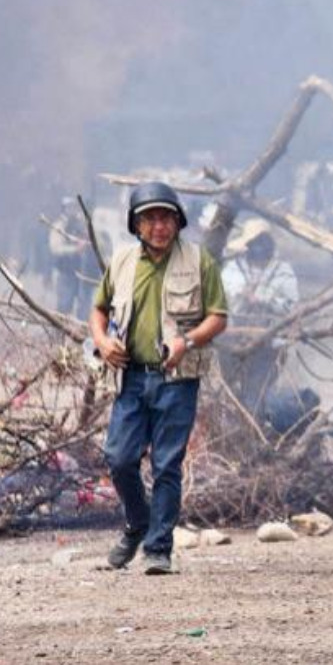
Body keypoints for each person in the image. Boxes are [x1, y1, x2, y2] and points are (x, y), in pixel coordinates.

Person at [90, 181, 228, 575]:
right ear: (136, 225)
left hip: (177, 379)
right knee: (119, 459)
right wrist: (102, 341)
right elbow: (98, 311)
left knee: (167, 464)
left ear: (178, 222)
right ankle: (138, 523)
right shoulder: (122, 262)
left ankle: (158, 549)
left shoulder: (199, 262)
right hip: (130, 378)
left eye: (166, 218)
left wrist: (186, 341)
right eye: (149, 219)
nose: (159, 227)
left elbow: (218, 317)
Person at [220, 219, 300, 418]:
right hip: (232, 340)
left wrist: (264, 300)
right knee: (230, 389)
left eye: (263, 242)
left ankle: (253, 430)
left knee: (256, 390)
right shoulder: (232, 269)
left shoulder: (283, 271)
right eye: (255, 243)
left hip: (268, 341)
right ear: (247, 246)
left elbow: (291, 306)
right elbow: (221, 299)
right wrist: (241, 294)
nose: (260, 248)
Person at [48, 197, 89, 319]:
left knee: (83, 309)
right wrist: (75, 250)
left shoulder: (80, 225)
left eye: (74, 207)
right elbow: (55, 249)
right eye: (69, 207)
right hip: (65, 272)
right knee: (63, 307)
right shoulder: (58, 226)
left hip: (82, 273)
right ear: (64, 209)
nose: (72, 210)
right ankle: (57, 336)